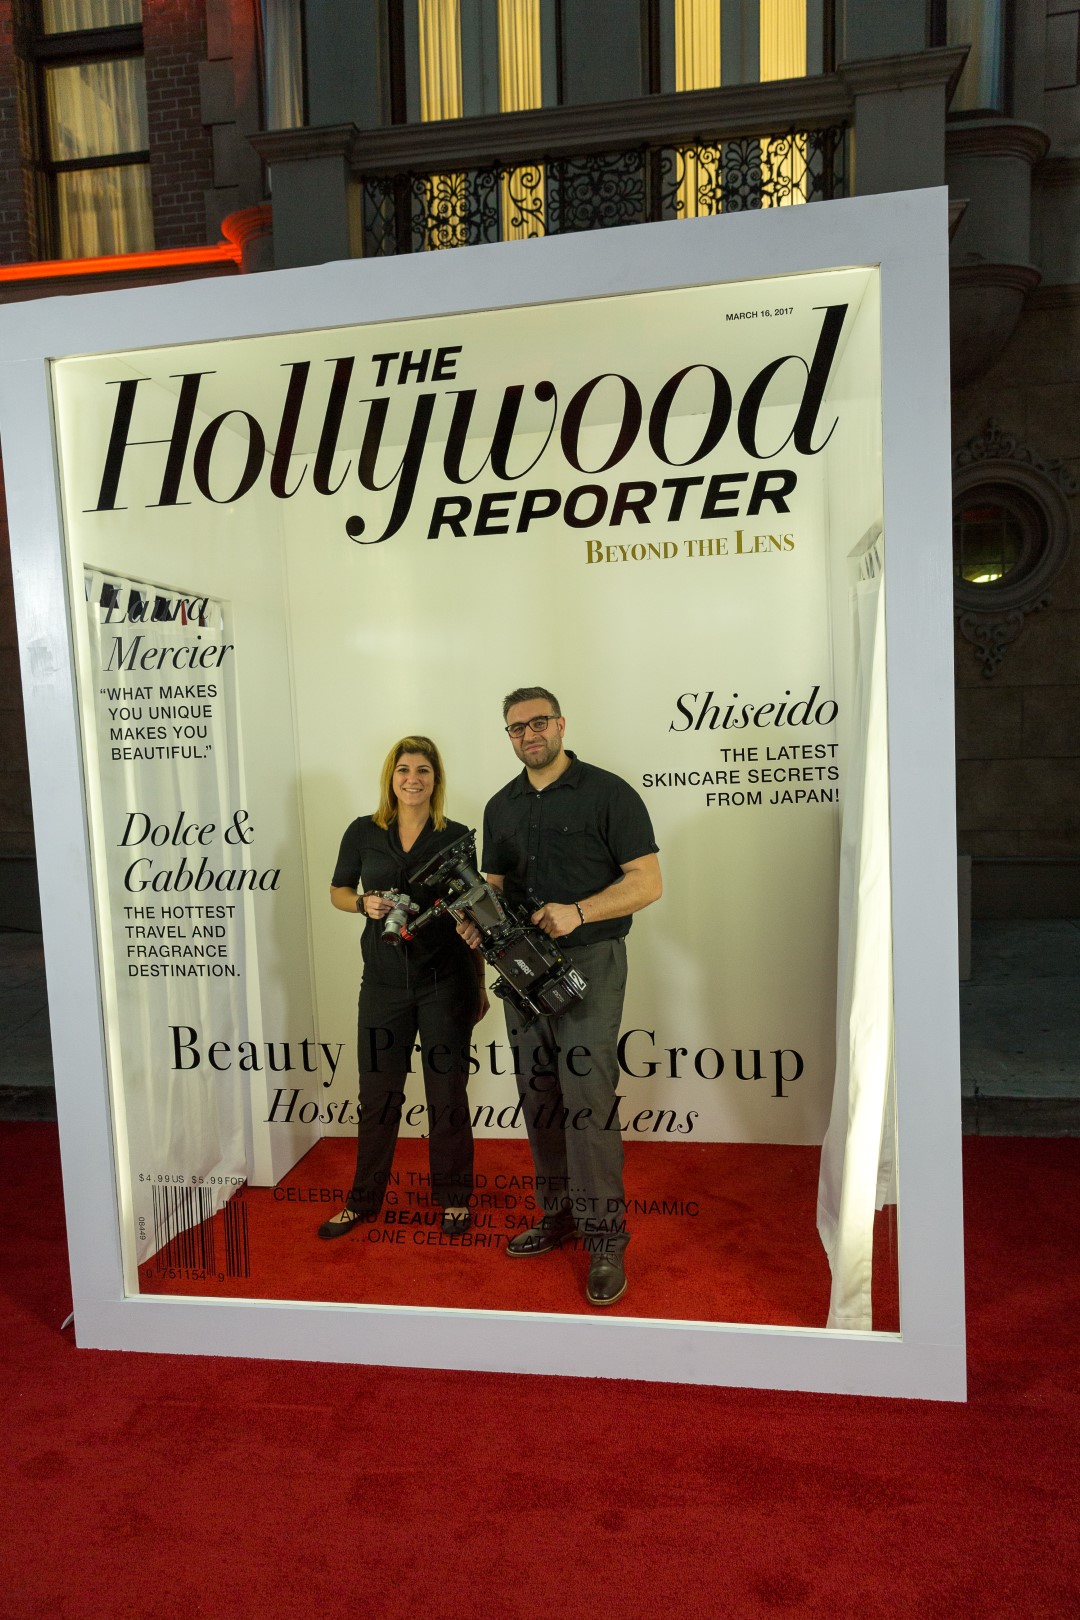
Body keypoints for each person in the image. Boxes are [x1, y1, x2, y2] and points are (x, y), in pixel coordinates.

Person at [476, 686, 661, 1307]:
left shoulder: (610, 793)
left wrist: (579, 912)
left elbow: (648, 882)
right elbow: (492, 889)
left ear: (560, 724)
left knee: (586, 1097)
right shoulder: (499, 806)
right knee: (540, 1095)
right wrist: (475, 921)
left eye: (537, 723)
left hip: (589, 963)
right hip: (521, 967)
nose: (528, 734)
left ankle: (606, 1240)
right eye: (515, 728)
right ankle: (558, 1215)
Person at [319, 736, 487, 1240]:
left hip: (446, 981)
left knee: (446, 1094)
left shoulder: (456, 836)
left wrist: (478, 983)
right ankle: (362, 1200)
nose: (413, 779)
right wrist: (363, 905)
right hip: (383, 985)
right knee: (377, 1094)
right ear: (390, 777)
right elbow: (337, 890)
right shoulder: (362, 832)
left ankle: (454, 1200)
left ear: (436, 780)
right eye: (404, 770)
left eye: (424, 771)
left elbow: (473, 907)